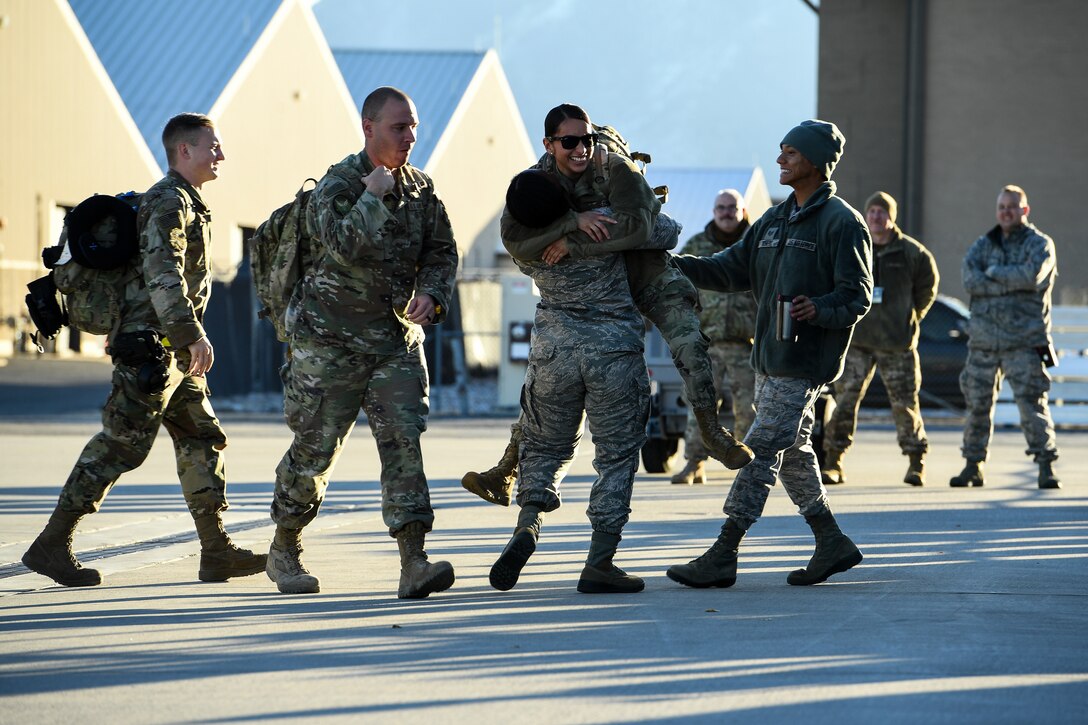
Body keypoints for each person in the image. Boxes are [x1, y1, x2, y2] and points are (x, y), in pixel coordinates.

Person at [488, 103, 747, 594]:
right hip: (612, 350)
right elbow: (661, 230)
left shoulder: (533, 222)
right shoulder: (588, 213)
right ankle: (600, 562)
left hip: (553, 349)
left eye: (586, 140)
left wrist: (569, 230)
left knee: (544, 446)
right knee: (617, 455)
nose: (582, 149)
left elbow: (516, 240)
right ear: (550, 145)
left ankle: (528, 525)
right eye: (570, 141)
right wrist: (586, 222)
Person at [22, 113, 266, 587]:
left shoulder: (187, 200)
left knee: (201, 437)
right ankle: (52, 542)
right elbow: (163, 271)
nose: (221, 155)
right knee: (121, 445)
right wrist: (189, 334)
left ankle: (216, 549)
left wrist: (183, 339)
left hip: (170, 349)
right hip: (153, 348)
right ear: (185, 151)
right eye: (212, 146)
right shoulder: (169, 201)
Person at [462, 135, 753, 509]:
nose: (586, 157)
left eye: (594, 149)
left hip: (649, 278)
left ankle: (710, 429)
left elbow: (664, 230)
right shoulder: (542, 185)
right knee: (544, 392)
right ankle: (507, 468)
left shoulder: (621, 181)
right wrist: (577, 224)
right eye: (574, 147)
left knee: (691, 345)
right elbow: (519, 236)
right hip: (599, 304)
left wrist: (583, 237)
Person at [266, 87, 459, 598]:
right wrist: (372, 195)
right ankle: (284, 546)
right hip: (329, 344)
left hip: (394, 342)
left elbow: (441, 251)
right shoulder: (338, 185)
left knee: (404, 444)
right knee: (316, 449)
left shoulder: (421, 189)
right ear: (369, 128)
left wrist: (432, 294)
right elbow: (343, 245)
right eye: (399, 127)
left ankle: (413, 561)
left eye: (414, 126)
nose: (410, 136)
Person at [666, 119, 872, 589]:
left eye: (791, 153)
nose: (780, 159)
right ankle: (831, 541)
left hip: (804, 363)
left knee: (758, 450)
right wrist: (670, 264)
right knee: (793, 450)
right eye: (782, 150)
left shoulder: (842, 222)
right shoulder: (773, 220)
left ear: (816, 161)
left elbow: (857, 296)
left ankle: (724, 551)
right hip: (768, 359)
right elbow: (728, 269)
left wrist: (817, 308)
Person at [821, 191, 939, 487]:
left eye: (882, 211)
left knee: (905, 405)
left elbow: (927, 287)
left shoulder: (912, 253)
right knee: (844, 401)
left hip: (897, 344)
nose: (876, 216)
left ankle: (916, 462)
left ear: (891, 217)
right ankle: (834, 461)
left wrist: (910, 316)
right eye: (872, 211)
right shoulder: (854, 247)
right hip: (857, 341)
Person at [952, 185, 1060, 489]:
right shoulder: (984, 244)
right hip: (984, 342)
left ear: (1025, 210)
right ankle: (973, 465)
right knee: (977, 405)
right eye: (1001, 207)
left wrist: (993, 272)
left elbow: (1032, 275)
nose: (1006, 212)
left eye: (1012, 206)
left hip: (1023, 342)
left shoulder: (1040, 244)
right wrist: (1009, 278)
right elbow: (969, 279)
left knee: (1031, 404)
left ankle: (1045, 465)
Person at [671, 189, 758, 485]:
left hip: (746, 346)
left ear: (743, 211)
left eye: (732, 207)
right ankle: (694, 463)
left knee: (748, 409)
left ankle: (749, 466)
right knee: (701, 407)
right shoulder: (697, 245)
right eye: (721, 207)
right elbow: (677, 283)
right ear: (713, 211)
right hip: (706, 343)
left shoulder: (754, 245)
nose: (726, 212)